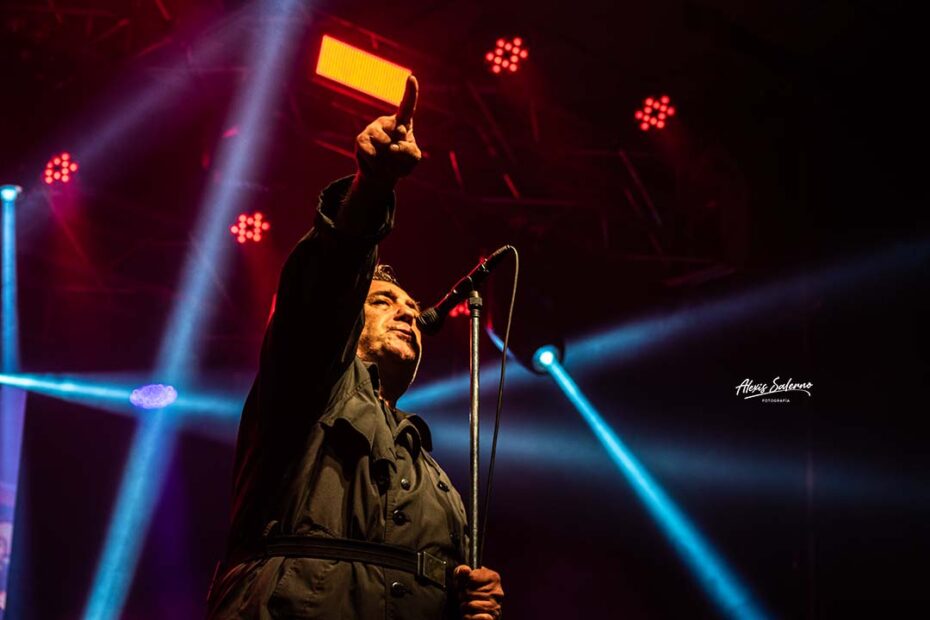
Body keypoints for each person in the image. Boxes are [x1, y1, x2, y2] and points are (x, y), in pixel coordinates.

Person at [207, 76, 504, 619]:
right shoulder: (308, 389)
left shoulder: (437, 481)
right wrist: (373, 187)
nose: (407, 312)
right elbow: (326, 283)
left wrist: (467, 600)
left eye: (412, 308)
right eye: (384, 301)